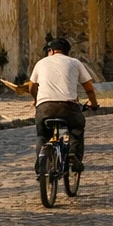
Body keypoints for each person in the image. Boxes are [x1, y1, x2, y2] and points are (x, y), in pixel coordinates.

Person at [29, 38, 98, 171]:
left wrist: (37, 99)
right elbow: (89, 88)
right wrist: (93, 103)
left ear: (52, 51)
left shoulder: (41, 63)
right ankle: (73, 154)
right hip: (68, 107)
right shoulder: (75, 63)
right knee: (76, 129)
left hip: (45, 107)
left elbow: (31, 86)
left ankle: (41, 167)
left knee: (42, 135)